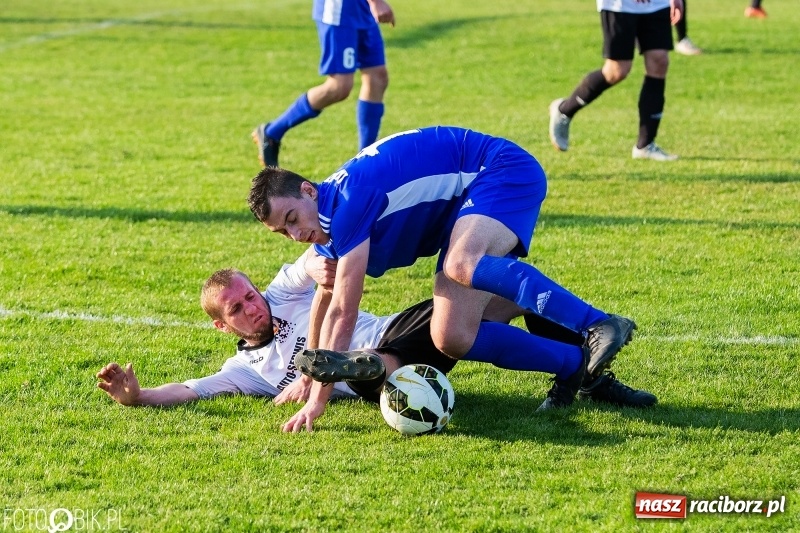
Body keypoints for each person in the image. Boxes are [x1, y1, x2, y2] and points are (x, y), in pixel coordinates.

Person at [248, 126, 648, 433]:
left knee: (462, 263)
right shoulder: (326, 223)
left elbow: (343, 312)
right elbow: (325, 296)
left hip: (499, 170)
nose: (296, 235)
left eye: (293, 219)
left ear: (307, 191)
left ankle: (597, 323)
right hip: (462, 207)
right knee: (450, 336)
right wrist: (308, 373)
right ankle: (575, 366)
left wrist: (318, 400)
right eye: (283, 232)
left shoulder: (347, 205)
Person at [96, 248, 655, 416]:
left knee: (499, 291)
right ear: (222, 327)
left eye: (250, 294)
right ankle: (352, 368)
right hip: (389, 376)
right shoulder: (245, 371)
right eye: (238, 309)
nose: (253, 307)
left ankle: (579, 373)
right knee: (368, 369)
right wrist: (139, 395)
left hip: (400, 328)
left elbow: (311, 264)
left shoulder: (283, 293)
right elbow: (192, 389)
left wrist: (320, 272)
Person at [251, 0, 395, 168]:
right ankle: (272, 132)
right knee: (339, 87)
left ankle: (365, 160)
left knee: (377, 77)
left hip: (361, 7)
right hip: (339, 9)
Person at [549, 0, 683, 161]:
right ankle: (565, 110)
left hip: (656, 4)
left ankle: (645, 145)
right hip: (619, 5)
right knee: (617, 70)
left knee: (659, 61)